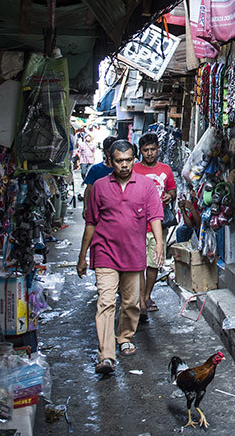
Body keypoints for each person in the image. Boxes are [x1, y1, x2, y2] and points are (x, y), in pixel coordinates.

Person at [76, 140, 164, 374]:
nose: (124, 165)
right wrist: (82, 256)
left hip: (133, 253)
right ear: (110, 161)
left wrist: (159, 244)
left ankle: (124, 336)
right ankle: (106, 355)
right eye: (119, 161)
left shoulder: (146, 185)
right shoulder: (99, 187)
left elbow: (155, 216)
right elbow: (91, 223)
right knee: (105, 301)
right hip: (104, 251)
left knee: (131, 303)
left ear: (134, 159)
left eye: (128, 160)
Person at [133, 132, 177, 315]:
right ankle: (141, 300)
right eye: (146, 150)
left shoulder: (165, 170)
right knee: (139, 264)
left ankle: (146, 296)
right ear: (140, 151)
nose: (149, 153)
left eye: (152, 149)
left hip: (158, 225)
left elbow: (172, 191)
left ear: (158, 149)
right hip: (137, 225)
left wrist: (169, 196)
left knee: (154, 263)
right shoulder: (134, 169)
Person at [82, 137, 118, 207]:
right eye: (108, 152)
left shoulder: (122, 169)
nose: (111, 155)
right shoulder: (95, 169)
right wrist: (86, 207)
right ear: (104, 151)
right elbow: (89, 189)